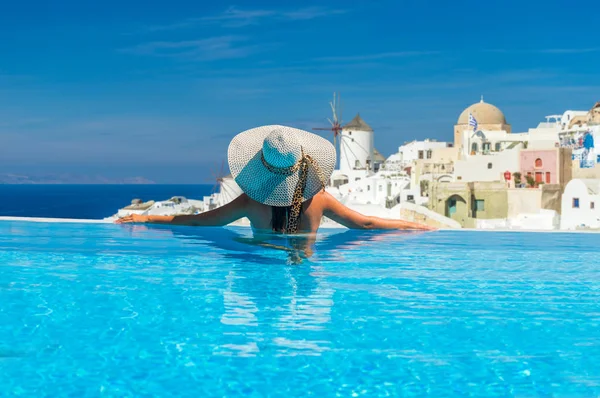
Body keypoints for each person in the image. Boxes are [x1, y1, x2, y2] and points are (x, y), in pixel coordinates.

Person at [117, 125, 435, 233]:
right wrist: (414, 227)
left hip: (260, 274)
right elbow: (364, 224)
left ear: (261, 166)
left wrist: (144, 218)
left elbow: (199, 222)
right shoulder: (319, 200)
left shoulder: (250, 202)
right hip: (306, 274)